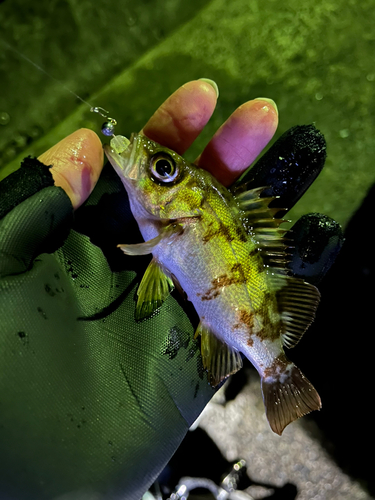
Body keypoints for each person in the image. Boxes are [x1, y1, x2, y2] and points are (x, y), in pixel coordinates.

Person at [0, 80, 342, 500]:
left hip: (228, 326)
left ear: (186, 213)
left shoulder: (165, 230)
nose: (149, 166)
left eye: (163, 172)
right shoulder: (164, 226)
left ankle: (271, 373)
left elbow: (155, 254)